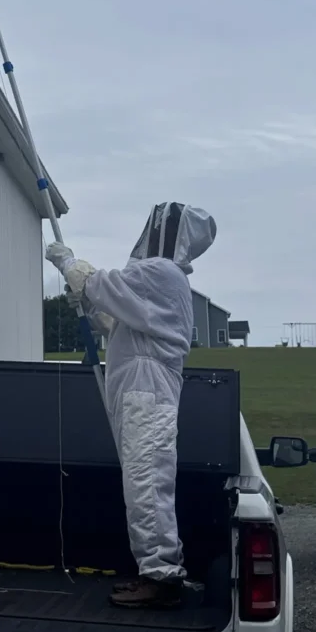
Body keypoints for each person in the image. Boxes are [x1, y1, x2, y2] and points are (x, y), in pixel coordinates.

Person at [46, 202, 217, 609]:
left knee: (146, 485)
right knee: (143, 484)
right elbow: (123, 321)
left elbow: (100, 284)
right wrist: (90, 308)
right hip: (145, 392)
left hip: (146, 392)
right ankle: (155, 571)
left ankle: (161, 577)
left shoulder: (161, 272)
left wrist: (68, 263)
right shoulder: (163, 279)